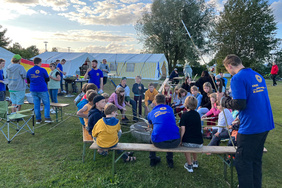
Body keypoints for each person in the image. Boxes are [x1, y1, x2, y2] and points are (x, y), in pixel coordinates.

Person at [220, 54, 275, 188]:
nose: (228, 71)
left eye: (227, 69)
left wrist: (223, 101)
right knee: (255, 160)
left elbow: (239, 103)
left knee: (243, 162)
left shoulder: (237, 78)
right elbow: (253, 100)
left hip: (251, 127)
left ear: (230, 66)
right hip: (265, 123)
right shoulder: (258, 76)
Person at [148, 94, 180, 168]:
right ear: (165, 102)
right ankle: (170, 161)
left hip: (159, 143)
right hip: (175, 142)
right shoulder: (170, 109)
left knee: (151, 138)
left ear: (155, 102)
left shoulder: (152, 112)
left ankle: (152, 160)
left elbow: (150, 125)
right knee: (169, 132)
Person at [179, 96, 203, 173]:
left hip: (188, 142)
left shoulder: (184, 115)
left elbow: (183, 129)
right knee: (193, 141)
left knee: (187, 146)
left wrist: (180, 140)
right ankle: (195, 162)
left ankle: (189, 165)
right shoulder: (197, 114)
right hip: (199, 142)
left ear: (186, 105)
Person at [26, 57, 52, 124]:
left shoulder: (29, 70)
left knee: (36, 104)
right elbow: (47, 79)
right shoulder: (43, 70)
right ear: (40, 62)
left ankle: (38, 119)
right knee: (46, 103)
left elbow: (27, 81)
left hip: (33, 89)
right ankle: (47, 118)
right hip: (42, 89)